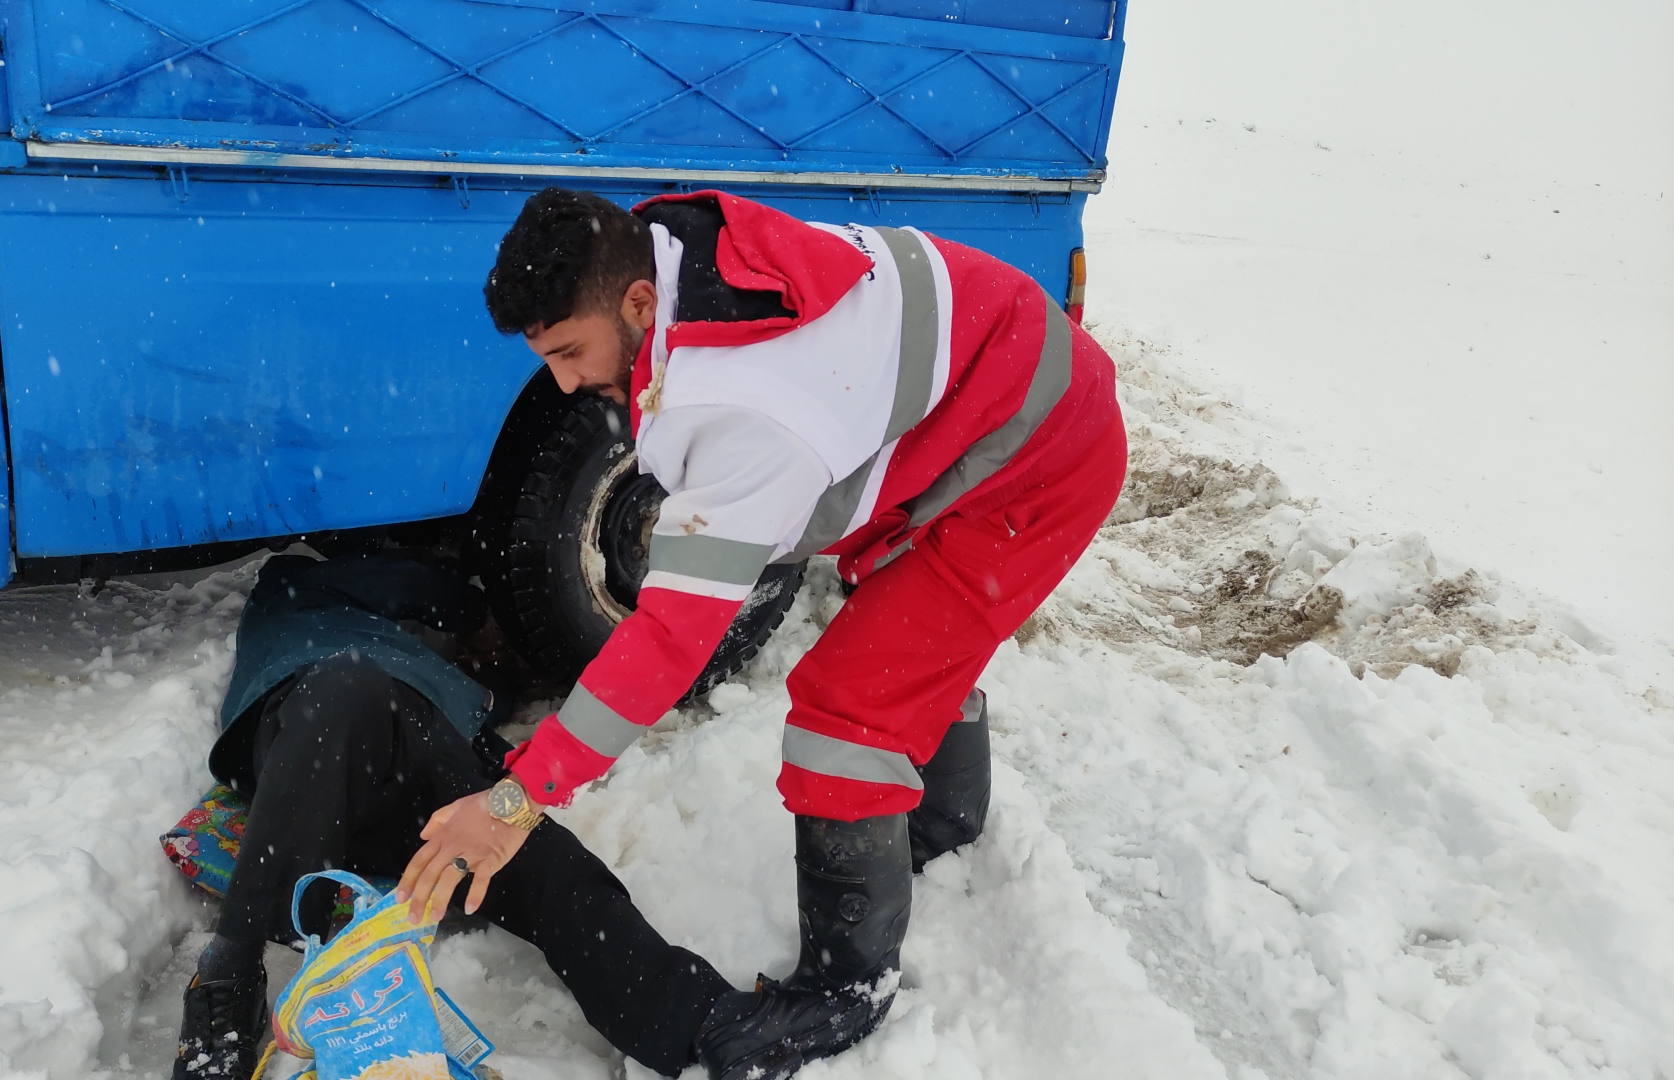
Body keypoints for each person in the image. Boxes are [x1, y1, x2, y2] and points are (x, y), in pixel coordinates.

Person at [400, 188, 1128, 1079]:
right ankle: (942, 822)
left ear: (635, 302)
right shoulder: (666, 250)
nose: (562, 381)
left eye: (567, 352)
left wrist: (517, 803)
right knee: (903, 646)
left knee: (847, 713)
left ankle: (846, 990)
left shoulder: (748, 411)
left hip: (1037, 455)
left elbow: (667, 641)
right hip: (986, 390)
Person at [170, 551, 793, 1080]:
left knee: (542, 862)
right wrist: (467, 605)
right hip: (315, 729)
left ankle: (700, 1021)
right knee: (348, 685)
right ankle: (229, 973)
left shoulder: (420, 684)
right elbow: (425, 592)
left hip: (403, 768)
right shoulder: (296, 585)